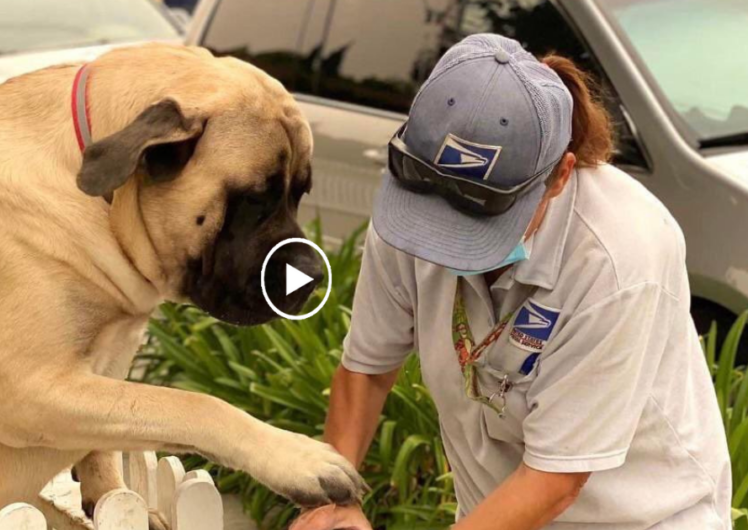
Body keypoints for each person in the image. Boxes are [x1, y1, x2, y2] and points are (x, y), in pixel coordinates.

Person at [291, 34, 731, 530]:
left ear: (560, 175)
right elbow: (367, 373)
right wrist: (333, 501)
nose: (444, 239)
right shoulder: (413, 210)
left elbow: (555, 480)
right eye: (435, 205)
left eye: (477, 215)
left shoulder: (618, 257)